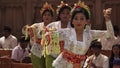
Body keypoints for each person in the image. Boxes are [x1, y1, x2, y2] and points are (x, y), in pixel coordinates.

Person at [52, 1, 114, 68]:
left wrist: (107, 20)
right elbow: (49, 36)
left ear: (86, 21)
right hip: (63, 65)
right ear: (72, 21)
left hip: (79, 65)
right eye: (76, 18)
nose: (79, 21)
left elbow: (110, 34)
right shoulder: (66, 32)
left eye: (82, 19)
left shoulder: (89, 34)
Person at [22, 2, 56, 68]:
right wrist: (26, 29)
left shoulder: (54, 27)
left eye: (49, 15)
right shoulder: (37, 26)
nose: (47, 16)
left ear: (52, 17)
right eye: (45, 15)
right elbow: (25, 32)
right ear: (42, 16)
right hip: (37, 52)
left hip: (50, 52)